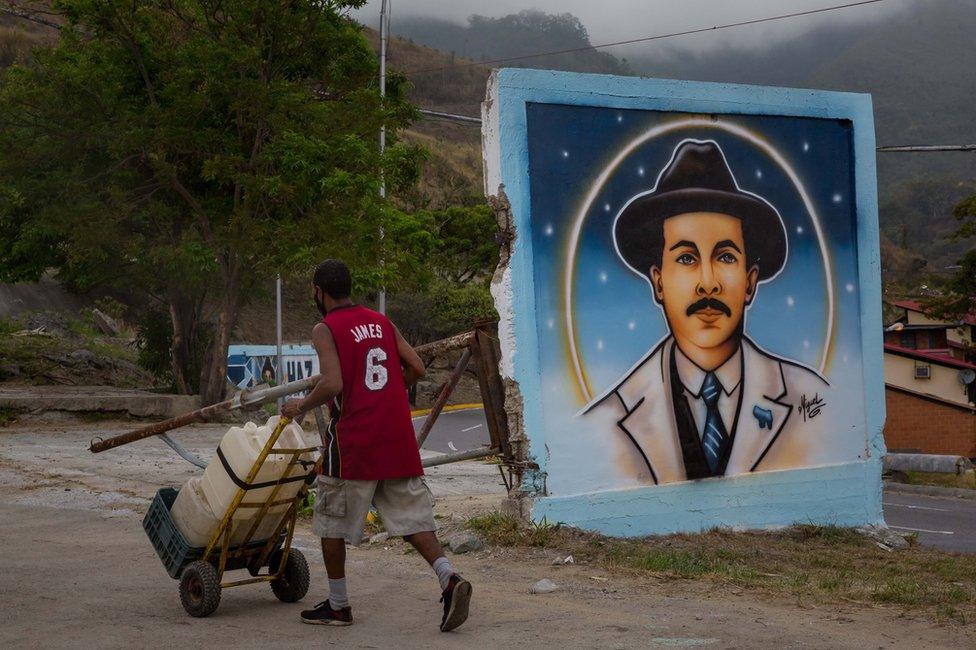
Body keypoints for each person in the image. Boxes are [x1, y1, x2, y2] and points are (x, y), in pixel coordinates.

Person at [584, 139, 828, 485]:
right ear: (658, 282)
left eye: (726, 257)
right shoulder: (608, 420)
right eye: (686, 258)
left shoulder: (812, 402)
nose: (708, 284)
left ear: (749, 281)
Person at [281, 259, 472, 631]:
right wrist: (386, 390)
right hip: (396, 437)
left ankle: (338, 606)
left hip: (356, 441)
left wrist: (299, 406)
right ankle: (448, 577)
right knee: (412, 519)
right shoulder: (381, 321)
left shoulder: (326, 328)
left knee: (331, 522)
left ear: (319, 292)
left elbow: (334, 384)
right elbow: (415, 365)